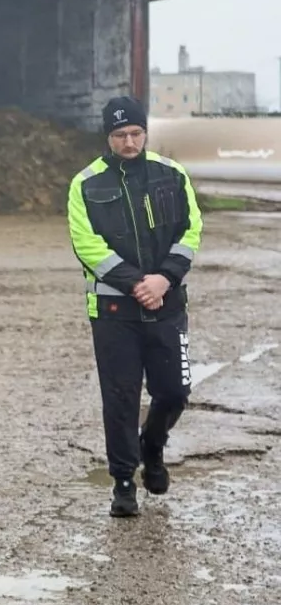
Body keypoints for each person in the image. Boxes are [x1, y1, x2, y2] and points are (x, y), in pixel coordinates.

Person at [68, 95, 202, 518]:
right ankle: (124, 482)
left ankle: (153, 445)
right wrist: (136, 283)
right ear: (108, 137)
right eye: (121, 135)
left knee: (175, 392)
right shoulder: (85, 183)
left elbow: (191, 229)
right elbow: (87, 244)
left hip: (168, 303)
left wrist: (164, 278)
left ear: (145, 132)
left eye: (136, 133)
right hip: (114, 312)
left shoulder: (171, 173)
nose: (129, 141)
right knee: (121, 397)